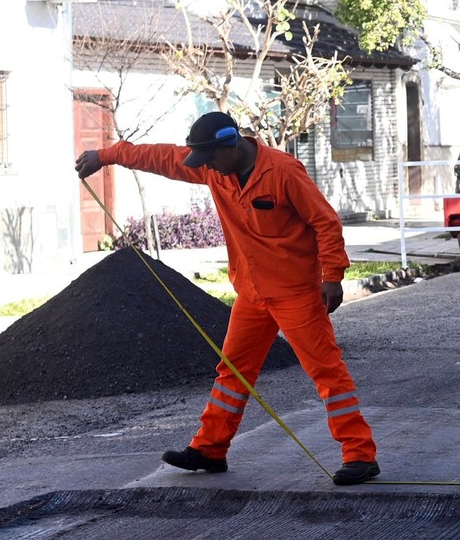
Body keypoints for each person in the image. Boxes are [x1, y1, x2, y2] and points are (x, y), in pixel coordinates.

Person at [74, 111, 380, 486]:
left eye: (211, 158)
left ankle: (360, 455)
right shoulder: (212, 169)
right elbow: (159, 156)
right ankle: (209, 449)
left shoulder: (283, 172)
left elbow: (325, 223)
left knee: (326, 372)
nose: (208, 168)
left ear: (231, 145)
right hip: (251, 294)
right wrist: (106, 156)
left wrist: (332, 277)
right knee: (232, 371)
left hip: (295, 293)